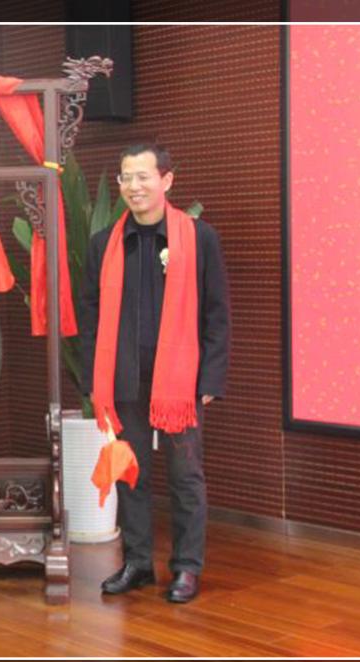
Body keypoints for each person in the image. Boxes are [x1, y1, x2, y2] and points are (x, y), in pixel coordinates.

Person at [79, 143, 230, 603]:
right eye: (126, 177)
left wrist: (210, 379)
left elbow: (217, 312)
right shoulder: (104, 243)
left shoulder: (199, 237)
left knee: (185, 478)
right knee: (132, 474)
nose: (133, 186)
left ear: (166, 180)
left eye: (143, 176)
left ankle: (186, 567)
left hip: (181, 383)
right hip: (123, 379)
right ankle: (139, 563)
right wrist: (94, 380)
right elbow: (89, 315)